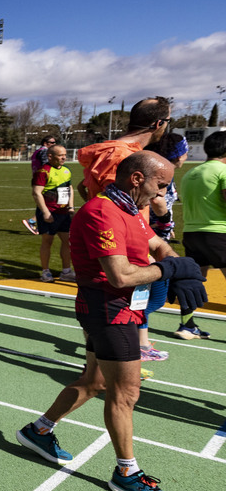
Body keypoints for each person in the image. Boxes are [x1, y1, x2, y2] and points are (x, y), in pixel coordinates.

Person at [15, 152, 206, 491]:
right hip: (108, 308)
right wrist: (170, 271)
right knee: (125, 392)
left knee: (95, 382)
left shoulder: (130, 209)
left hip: (119, 306)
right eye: (160, 185)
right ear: (137, 179)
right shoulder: (102, 212)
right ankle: (127, 473)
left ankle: (38, 430)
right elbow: (120, 275)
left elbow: (157, 245)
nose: (163, 193)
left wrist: (176, 266)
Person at [138, 132, 188, 358]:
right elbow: (158, 204)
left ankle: (141, 341)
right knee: (153, 297)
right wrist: (166, 220)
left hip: (155, 239)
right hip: (148, 243)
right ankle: (136, 341)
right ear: (179, 153)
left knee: (150, 296)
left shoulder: (167, 173)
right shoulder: (162, 175)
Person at [174, 129, 226, 340]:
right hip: (218, 232)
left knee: (192, 282)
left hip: (192, 233)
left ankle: (187, 326)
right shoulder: (222, 171)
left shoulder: (190, 173)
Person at [76, 98, 170, 201]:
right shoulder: (120, 155)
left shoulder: (123, 152)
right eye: (168, 121)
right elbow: (113, 207)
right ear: (159, 123)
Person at [31, 144, 76, 282]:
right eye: (60, 155)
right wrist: (45, 212)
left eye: (64, 155)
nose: (64, 157)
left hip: (63, 212)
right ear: (50, 156)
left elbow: (70, 188)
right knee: (47, 241)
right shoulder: (43, 171)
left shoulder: (66, 170)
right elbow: (36, 192)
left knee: (68, 241)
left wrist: (71, 207)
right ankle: (45, 272)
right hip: (49, 212)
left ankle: (66, 271)